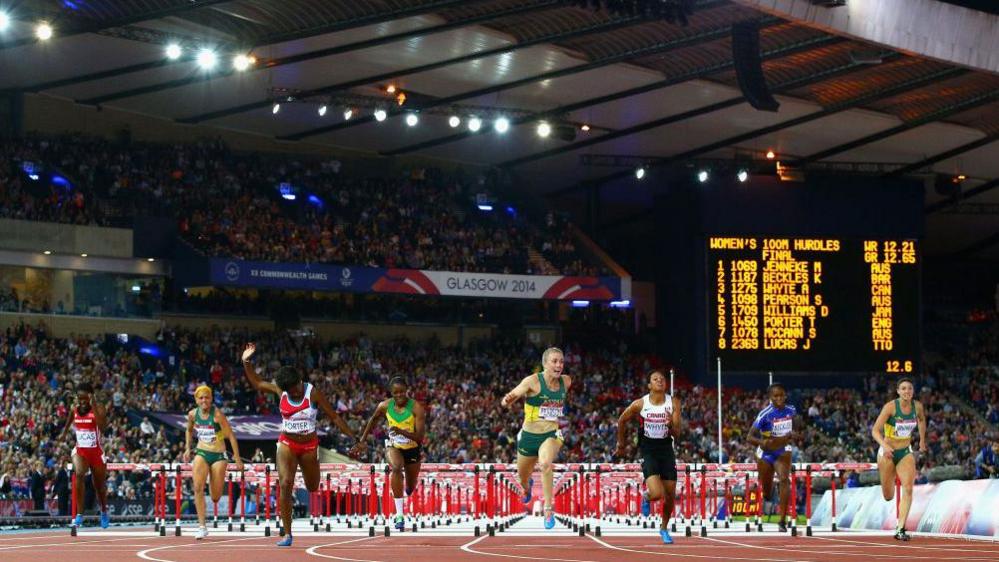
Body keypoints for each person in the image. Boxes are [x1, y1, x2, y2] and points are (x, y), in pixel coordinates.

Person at [241, 343, 357, 547]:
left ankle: (290, 517)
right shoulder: (282, 389)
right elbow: (258, 384)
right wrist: (246, 362)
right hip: (287, 443)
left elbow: (335, 418)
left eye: (294, 391)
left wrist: (353, 438)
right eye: (288, 392)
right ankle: (287, 532)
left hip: (310, 446)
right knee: (285, 484)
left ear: (299, 382)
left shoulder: (313, 393)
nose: (292, 394)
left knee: (312, 486)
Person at [501, 347, 571, 530]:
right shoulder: (532, 381)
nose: (559, 365)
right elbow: (512, 395)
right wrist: (508, 399)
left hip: (552, 434)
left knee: (546, 463)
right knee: (522, 479)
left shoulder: (566, 381)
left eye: (561, 361)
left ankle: (548, 508)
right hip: (528, 437)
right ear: (545, 364)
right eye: (554, 361)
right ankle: (527, 486)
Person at [351, 377, 427, 531]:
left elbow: (419, 438)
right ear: (391, 393)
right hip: (394, 447)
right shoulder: (384, 406)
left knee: (410, 487)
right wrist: (362, 440)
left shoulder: (416, 408)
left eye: (402, 392)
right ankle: (399, 515)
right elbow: (373, 421)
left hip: (412, 449)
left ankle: (407, 489)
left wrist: (401, 431)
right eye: (395, 393)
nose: (399, 395)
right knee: (397, 468)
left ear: (407, 391)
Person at [614, 370, 682, 544]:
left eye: (662, 379)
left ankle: (664, 528)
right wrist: (621, 445)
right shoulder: (640, 404)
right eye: (655, 379)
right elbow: (621, 420)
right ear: (649, 385)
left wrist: (670, 425)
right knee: (657, 493)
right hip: (648, 449)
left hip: (666, 448)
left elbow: (678, 433)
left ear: (665, 384)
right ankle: (647, 496)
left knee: (670, 495)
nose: (659, 380)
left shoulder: (673, 403)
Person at [183, 385, 243, 540]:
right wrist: (187, 448)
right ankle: (202, 526)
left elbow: (231, 436)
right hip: (202, 452)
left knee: (215, 497)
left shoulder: (217, 415)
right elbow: (189, 430)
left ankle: (212, 479)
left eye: (207, 397)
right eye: (201, 398)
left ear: (211, 399)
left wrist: (237, 458)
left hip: (218, 456)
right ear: (196, 400)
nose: (204, 400)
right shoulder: (192, 415)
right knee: (197, 487)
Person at [872, 377, 927, 541]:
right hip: (887, 452)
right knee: (888, 495)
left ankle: (900, 528)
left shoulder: (917, 407)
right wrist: (884, 445)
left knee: (908, 489)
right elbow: (875, 430)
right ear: (898, 391)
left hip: (905, 451)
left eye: (909, 388)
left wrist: (922, 440)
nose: (907, 391)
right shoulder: (890, 407)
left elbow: (922, 420)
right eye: (903, 389)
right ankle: (890, 476)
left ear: (913, 391)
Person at [746, 382, 798, 532]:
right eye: (776, 396)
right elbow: (749, 437)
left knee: (784, 479)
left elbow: (797, 428)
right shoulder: (765, 414)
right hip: (766, 453)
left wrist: (795, 434)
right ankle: (769, 494)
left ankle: (782, 520)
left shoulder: (792, 410)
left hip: (783, 450)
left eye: (781, 395)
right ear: (770, 398)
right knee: (767, 492)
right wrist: (762, 442)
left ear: (785, 395)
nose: (779, 398)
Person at [58, 382, 110, 528]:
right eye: (79, 398)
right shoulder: (74, 410)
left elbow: (103, 427)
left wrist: (93, 405)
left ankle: (104, 511)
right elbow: (69, 420)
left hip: (96, 452)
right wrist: (63, 434)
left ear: (90, 396)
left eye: (85, 398)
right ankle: (80, 513)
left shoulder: (98, 408)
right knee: (79, 473)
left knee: (99, 486)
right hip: (81, 450)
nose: (82, 402)